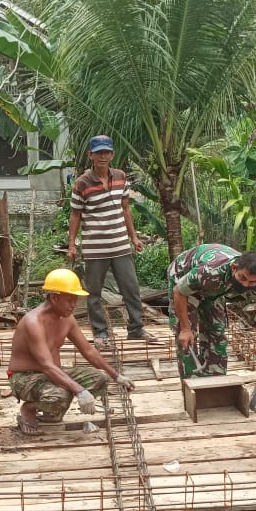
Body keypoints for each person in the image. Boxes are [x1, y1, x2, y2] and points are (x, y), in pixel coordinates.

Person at [7, 268, 135, 435]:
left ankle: (52, 411)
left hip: (52, 374)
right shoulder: (33, 322)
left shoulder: (67, 319)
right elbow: (46, 365)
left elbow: (88, 351)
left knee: (100, 379)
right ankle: (29, 409)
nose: (73, 305)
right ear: (54, 298)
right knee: (60, 395)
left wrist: (116, 376)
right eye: (69, 300)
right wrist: (79, 391)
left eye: (75, 299)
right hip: (24, 378)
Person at [67, 134, 158, 350]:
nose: (103, 156)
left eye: (106, 152)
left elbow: (125, 208)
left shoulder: (120, 176)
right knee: (94, 293)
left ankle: (136, 329)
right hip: (94, 248)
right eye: (98, 153)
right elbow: (75, 215)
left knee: (131, 288)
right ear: (90, 155)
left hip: (120, 245)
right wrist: (71, 243)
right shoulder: (82, 183)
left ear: (112, 154)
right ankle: (100, 334)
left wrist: (133, 236)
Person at [167, 244, 256, 378]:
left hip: (214, 288)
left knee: (217, 330)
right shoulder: (210, 271)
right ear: (234, 268)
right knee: (187, 338)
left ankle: (215, 379)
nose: (246, 285)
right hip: (182, 277)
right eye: (242, 278)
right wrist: (185, 328)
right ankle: (191, 383)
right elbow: (179, 292)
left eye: (252, 282)